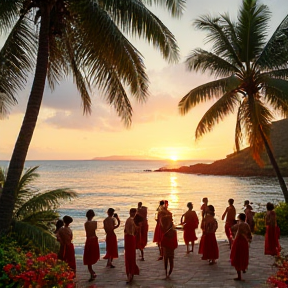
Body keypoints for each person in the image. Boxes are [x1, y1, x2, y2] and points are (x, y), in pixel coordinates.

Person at [230, 213, 252, 281]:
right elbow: (249, 235)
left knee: (237, 257)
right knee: (244, 256)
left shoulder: (239, 225)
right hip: (245, 241)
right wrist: (249, 241)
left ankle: (239, 276)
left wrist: (233, 241)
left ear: (239, 218)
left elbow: (234, 231)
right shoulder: (247, 225)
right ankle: (244, 268)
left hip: (239, 241)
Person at [83, 209, 100, 282]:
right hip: (94, 239)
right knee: (91, 256)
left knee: (88, 258)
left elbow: (87, 232)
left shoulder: (86, 223)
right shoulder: (95, 223)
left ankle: (92, 273)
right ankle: (92, 273)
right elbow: (94, 230)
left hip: (89, 239)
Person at [124, 208, 140, 284]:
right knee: (131, 257)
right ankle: (131, 274)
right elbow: (134, 231)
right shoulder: (131, 220)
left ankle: (130, 275)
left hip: (129, 238)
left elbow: (126, 231)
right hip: (131, 238)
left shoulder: (129, 220)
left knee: (128, 257)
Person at [160, 214, 178, 279]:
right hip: (167, 245)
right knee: (168, 259)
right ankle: (167, 273)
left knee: (169, 259)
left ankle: (168, 272)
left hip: (169, 245)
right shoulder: (167, 228)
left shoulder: (171, 229)